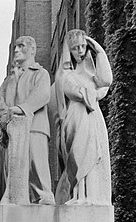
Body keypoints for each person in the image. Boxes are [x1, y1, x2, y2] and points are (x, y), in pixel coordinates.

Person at [50, 29, 113, 206]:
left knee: (94, 157)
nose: (80, 51)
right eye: (76, 48)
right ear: (69, 51)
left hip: (92, 118)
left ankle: (92, 196)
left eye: (83, 47)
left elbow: (106, 81)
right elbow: (75, 92)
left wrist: (99, 50)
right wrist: (95, 93)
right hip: (76, 120)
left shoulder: (91, 76)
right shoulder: (66, 75)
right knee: (79, 156)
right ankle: (79, 196)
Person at [0, 36, 55, 205]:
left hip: (35, 126)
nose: (16, 50)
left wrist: (22, 109)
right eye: (16, 47)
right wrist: (6, 114)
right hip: (12, 129)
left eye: (21, 46)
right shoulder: (9, 80)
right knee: (13, 168)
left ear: (32, 50)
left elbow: (43, 95)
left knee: (36, 161)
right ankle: (16, 198)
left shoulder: (40, 73)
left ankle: (44, 195)